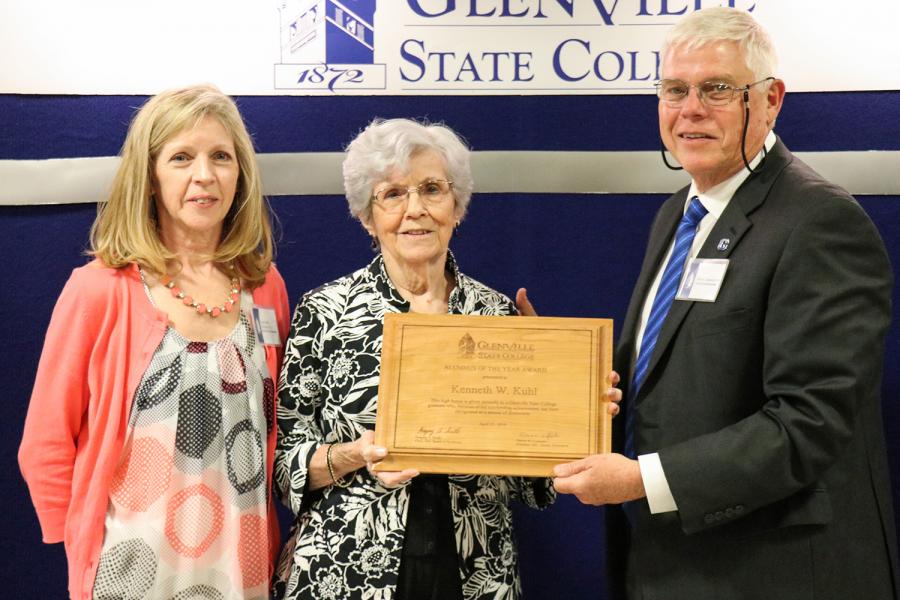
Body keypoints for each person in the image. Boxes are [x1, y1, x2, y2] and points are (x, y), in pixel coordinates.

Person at [550, 7, 899, 599]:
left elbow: (807, 424)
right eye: (674, 89)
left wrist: (643, 479)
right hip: (668, 561)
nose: (691, 109)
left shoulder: (820, 221)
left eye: (716, 89)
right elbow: (680, 378)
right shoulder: (676, 215)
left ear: (770, 100)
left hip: (771, 572)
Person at [272, 118, 620, 600]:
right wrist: (355, 454)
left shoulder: (497, 314)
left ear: (456, 206)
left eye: (432, 189)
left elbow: (533, 481)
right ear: (367, 217)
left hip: (477, 570)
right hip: (344, 570)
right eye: (392, 194)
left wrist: (570, 404)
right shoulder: (324, 311)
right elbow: (282, 460)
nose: (415, 209)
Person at [18, 84, 291, 599]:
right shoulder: (99, 289)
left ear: (241, 175)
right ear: (149, 176)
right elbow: (45, 440)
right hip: (130, 568)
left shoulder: (266, 287)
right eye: (181, 157)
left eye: (220, 157)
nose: (204, 175)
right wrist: (74, 538)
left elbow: (273, 429)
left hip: (242, 562)